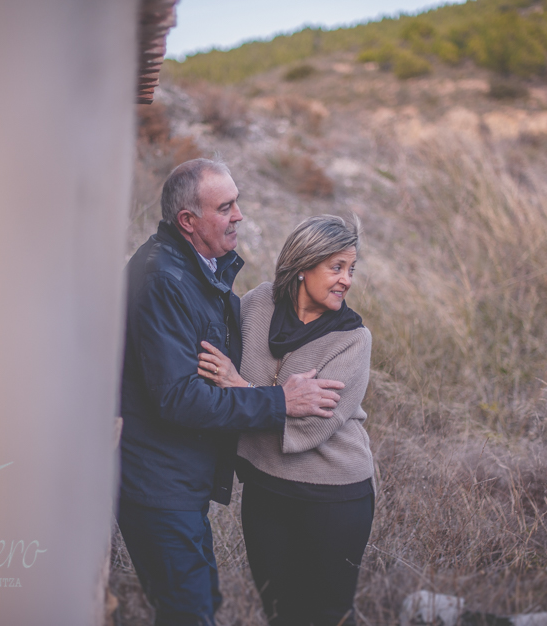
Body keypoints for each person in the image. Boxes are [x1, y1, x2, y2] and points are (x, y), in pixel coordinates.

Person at [117, 159, 346, 626]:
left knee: (199, 602)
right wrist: (281, 401)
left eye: (236, 202)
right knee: (189, 611)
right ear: (188, 221)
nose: (239, 215)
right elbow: (178, 398)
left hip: (180, 478)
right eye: (225, 207)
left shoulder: (200, 269)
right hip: (157, 481)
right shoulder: (164, 281)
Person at [198, 215, 374, 626]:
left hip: (333, 497)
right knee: (279, 612)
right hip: (264, 488)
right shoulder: (257, 304)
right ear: (302, 265)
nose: (347, 280)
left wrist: (239, 385)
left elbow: (310, 426)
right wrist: (270, 398)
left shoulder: (352, 339)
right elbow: (215, 377)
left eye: (351, 269)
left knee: (327, 616)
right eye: (336, 267)